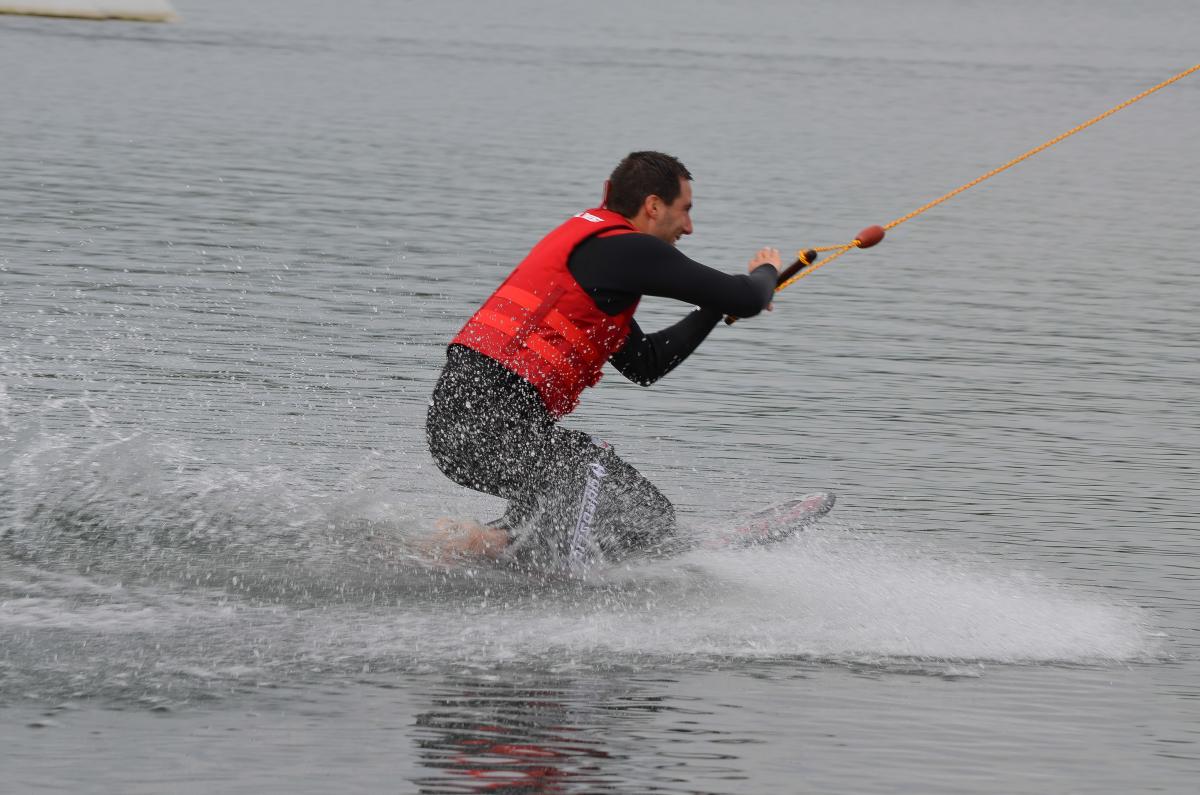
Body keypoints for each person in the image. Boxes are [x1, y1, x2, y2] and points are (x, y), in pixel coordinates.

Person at [425, 151, 780, 572]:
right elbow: (746, 297)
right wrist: (767, 272)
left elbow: (645, 363)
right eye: (685, 210)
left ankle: (472, 545)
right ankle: (536, 567)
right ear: (653, 205)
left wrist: (712, 310)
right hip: (486, 426)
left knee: (583, 494)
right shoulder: (628, 250)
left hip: (461, 427)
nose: (689, 227)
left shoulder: (597, 255)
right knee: (638, 509)